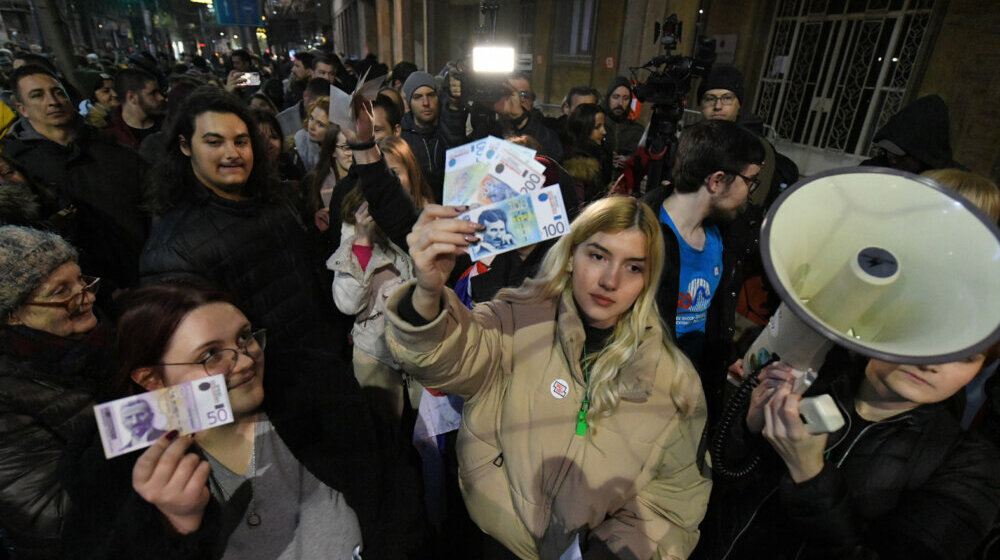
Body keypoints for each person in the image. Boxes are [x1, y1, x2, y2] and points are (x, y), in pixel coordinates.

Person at [386, 196, 711, 559]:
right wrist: (428, 293)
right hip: (488, 543)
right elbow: (442, 357)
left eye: (634, 267)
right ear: (571, 255)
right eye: (598, 256)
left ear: (648, 280)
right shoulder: (514, 319)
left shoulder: (674, 381)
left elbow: (672, 501)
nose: (610, 280)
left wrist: (613, 552)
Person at [65, 280, 394, 558]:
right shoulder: (118, 476)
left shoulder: (317, 391)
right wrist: (170, 527)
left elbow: (394, 488)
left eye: (245, 336)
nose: (244, 361)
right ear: (151, 379)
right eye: (209, 355)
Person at [697, 342, 1000, 559]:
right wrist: (749, 427)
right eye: (924, 337)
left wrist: (809, 476)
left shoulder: (969, 465)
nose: (932, 364)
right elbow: (716, 480)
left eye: (966, 357)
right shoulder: (815, 375)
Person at [139, 87, 345, 357]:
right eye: (214, 142)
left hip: (324, 360)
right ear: (185, 146)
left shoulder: (277, 200)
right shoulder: (172, 249)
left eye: (241, 141)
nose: (232, 153)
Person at [0, 226, 111, 559]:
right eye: (62, 290)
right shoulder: (7, 394)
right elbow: (50, 515)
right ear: (14, 314)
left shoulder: (101, 337)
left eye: (81, 280)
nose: (87, 295)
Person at [643, 119, 764, 417]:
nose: (750, 192)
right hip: (645, 397)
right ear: (717, 181)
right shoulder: (639, 233)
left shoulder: (722, 233)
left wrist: (727, 356)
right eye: (750, 181)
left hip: (692, 393)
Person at [2, 65, 150, 303]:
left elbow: (154, 209)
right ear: (22, 109)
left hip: (144, 281)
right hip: (75, 299)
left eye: (58, 92)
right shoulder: (16, 169)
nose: (53, 101)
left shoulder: (115, 151)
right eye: (37, 95)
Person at [399, 71, 467, 202]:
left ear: (439, 97)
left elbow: (456, 145)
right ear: (409, 102)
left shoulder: (449, 128)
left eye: (430, 95)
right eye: (417, 97)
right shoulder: (402, 138)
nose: (425, 103)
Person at [105, 68, 165, 151]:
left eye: (159, 92)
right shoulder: (111, 136)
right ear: (132, 97)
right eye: (153, 93)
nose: (161, 98)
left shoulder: (168, 125)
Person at [562, 102, 611, 202]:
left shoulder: (599, 155)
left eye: (603, 125)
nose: (604, 131)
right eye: (597, 127)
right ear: (583, 128)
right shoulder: (576, 168)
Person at [602, 76, 643, 178]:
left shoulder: (637, 131)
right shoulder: (598, 126)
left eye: (625, 98)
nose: (620, 103)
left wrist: (630, 162)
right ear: (608, 98)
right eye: (616, 97)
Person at [293, 95, 330, 173]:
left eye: (320, 124)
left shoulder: (343, 152)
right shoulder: (296, 148)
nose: (311, 126)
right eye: (311, 118)